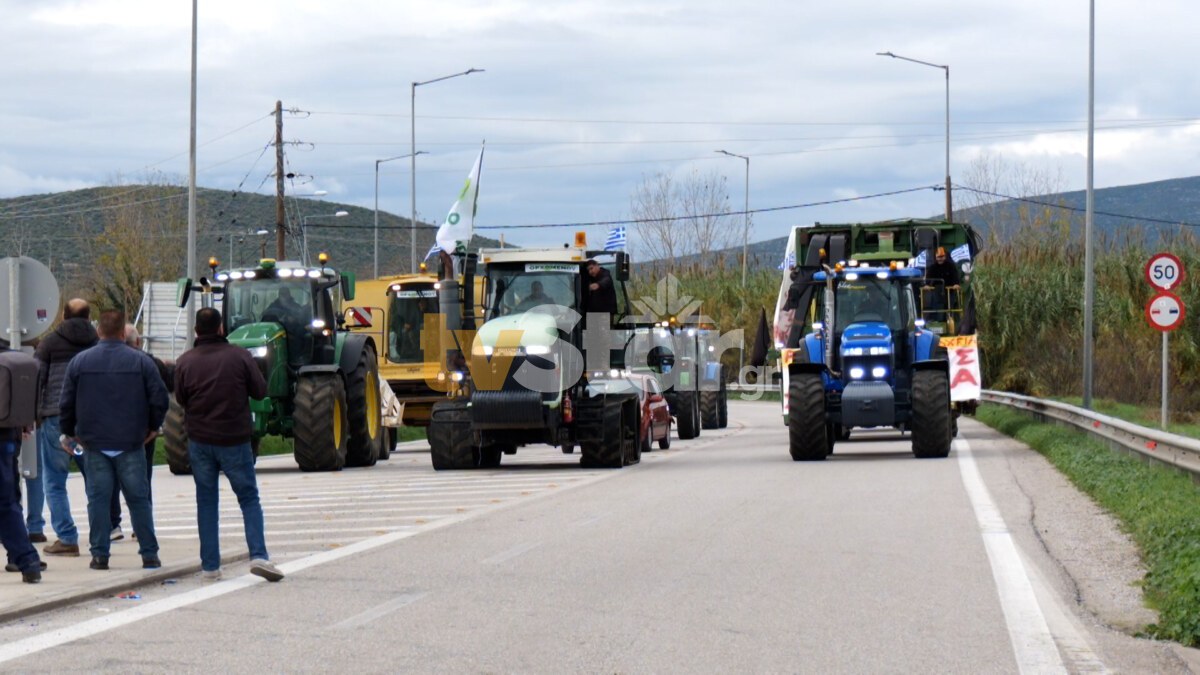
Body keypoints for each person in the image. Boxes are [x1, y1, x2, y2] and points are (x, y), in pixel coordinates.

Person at [174, 308, 282, 582]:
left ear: (196, 331)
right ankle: (258, 555)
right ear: (221, 328)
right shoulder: (240, 356)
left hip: (199, 440)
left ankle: (210, 566)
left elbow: (182, 399)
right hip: (234, 439)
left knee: (207, 501)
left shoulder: (185, 362)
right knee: (248, 497)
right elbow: (260, 390)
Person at [59, 310, 168, 571]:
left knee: (98, 500)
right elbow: (160, 398)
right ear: (122, 333)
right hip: (131, 442)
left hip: (93, 443)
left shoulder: (79, 362)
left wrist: (69, 432)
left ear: (99, 331)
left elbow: (66, 402)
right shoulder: (141, 362)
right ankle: (149, 554)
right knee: (138, 499)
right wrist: (152, 428)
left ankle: (99, 556)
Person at [33, 298, 98, 558]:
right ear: (88, 316)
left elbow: (37, 380)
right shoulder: (97, 343)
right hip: (89, 422)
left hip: (56, 421)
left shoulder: (50, 343)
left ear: (63, 315)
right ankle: (99, 537)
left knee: (55, 479)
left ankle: (67, 538)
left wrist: (34, 414)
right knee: (94, 479)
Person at [108, 325, 173, 537]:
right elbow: (162, 397)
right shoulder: (150, 363)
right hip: (143, 431)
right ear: (137, 342)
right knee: (142, 478)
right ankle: (142, 526)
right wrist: (154, 426)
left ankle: (113, 524)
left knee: (111, 479)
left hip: (112, 430)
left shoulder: (105, 361)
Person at [1, 342, 45, 584]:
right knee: (7, 502)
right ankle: (27, 560)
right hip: (9, 437)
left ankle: (26, 558)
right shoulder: (11, 357)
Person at [923, 247, 961, 321]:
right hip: (937, 293)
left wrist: (956, 284)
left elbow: (955, 276)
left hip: (949, 292)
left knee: (950, 309)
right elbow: (928, 278)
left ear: (945, 256)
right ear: (936, 257)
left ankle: (950, 321)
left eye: (942, 257)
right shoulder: (932, 268)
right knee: (937, 309)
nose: (940, 259)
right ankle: (937, 321)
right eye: (938, 257)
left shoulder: (951, 266)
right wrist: (927, 284)